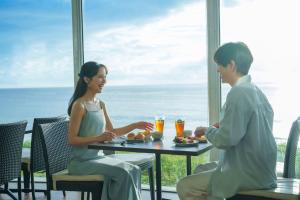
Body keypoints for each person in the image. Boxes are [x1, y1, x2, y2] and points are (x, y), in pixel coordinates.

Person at [176, 42, 277, 200]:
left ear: (231, 65)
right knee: (200, 169)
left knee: (184, 186)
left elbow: (225, 140)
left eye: (219, 65)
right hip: (261, 169)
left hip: (248, 173)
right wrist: (220, 126)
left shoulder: (238, 93)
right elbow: (250, 126)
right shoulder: (255, 90)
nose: (217, 70)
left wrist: (208, 130)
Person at [67, 61, 153, 200]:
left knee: (135, 170)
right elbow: (72, 139)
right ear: (87, 79)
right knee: (123, 173)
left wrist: (135, 125)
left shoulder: (101, 104)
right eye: (100, 77)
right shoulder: (79, 105)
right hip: (81, 163)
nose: (104, 81)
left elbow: (112, 131)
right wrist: (99, 138)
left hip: (99, 158)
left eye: (105, 77)